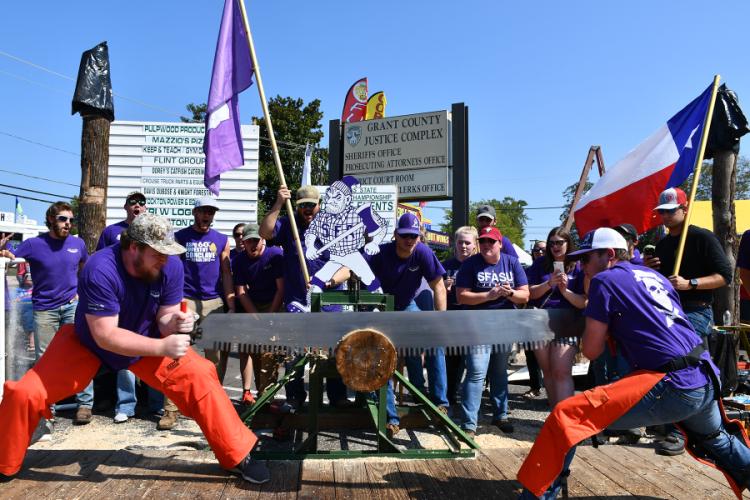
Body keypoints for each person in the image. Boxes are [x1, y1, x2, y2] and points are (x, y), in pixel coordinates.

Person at [0, 214, 270, 485]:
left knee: (201, 375)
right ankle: (4, 462)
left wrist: (175, 322)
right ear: (134, 248)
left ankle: (236, 456)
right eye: (158, 253)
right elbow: (105, 336)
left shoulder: (171, 265)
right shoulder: (100, 268)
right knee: (24, 393)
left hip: (144, 340)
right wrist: (163, 345)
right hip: (88, 342)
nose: (165, 259)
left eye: (167, 252)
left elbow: (165, 318)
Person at [518, 227, 750, 499]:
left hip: (672, 382)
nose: (583, 266)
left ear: (610, 255)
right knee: (716, 439)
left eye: (587, 259)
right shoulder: (655, 276)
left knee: (567, 417)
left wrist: (598, 327)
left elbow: (591, 351)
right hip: (704, 374)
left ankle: (537, 495)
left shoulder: (605, 280)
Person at [644, 187, 733, 456]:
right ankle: (676, 425)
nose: (666, 216)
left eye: (671, 211)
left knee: (682, 363)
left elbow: (725, 276)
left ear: (685, 209)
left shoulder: (702, 238)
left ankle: (679, 432)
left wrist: (690, 283)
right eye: (662, 212)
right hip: (669, 312)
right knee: (664, 362)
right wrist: (650, 271)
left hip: (697, 310)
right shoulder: (662, 244)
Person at [259, 185, 350, 409]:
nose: (308, 209)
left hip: (330, 301)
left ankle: (337, 397)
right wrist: (279, 203)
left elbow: (348, 267)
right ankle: (295, 396)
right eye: (303, 205)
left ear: (320, 205)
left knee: (333, 350)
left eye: (312, 204)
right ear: (297, 206)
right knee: (294, 351)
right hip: (297, 300)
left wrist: (327, 282)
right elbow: (264, 233)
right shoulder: (288, 223)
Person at [8, 201, 92, 425]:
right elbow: (11, 255)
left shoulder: (78, 243)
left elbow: (86, 269)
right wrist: (5, 251)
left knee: (81, 353)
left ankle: (85, 404)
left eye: (71, 220)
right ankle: (47, 406)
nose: (68, 224)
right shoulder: (34, 244)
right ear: (51, 220)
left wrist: (82, 295)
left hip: (72, 307)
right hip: (44, 310)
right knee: (45, 361)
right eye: (63, 219)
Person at [367, 213, 448, 437]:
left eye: (414, 236)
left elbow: (439, 286)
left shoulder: (423, 252)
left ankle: (439, 404)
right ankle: (391, 418)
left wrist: (441, 321)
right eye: (405, 236)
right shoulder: (381, 253)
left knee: (435, 343)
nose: (410, 240)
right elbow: (357, 272)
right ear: (396, 236)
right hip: (381, 309)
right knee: (381, 353)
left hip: (406, 306)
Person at [456, 226, 529, 436]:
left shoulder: (511, 262)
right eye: (483, 241)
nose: (487, 245)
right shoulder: (470, 264)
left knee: (499, 372)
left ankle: (500, 415)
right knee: (477, 371)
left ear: (500, 244)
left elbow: (524, 295)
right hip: (477, 325)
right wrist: (489, 295)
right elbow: (462, 296)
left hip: (504, 324)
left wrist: (510, 293)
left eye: (491, 241)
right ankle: (469, 424)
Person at [169, 196, 235, 430]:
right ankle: (171, 409)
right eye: (204, 211)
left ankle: (212, 404)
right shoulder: (180, 237)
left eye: (211, 212)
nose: (207, 215)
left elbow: (226, 274)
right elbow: (172, 269)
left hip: (213, 301)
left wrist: (230, 303)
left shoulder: (221, 239)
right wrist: (174, 299)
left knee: (214, 357)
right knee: (177, 353)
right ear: (195, 211)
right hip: (186, 299)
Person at [95, 191, 158, 423]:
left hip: (148, 298)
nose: (138, 206)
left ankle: (156, 404)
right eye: (133, 202)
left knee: (152, 348)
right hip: (119, 299)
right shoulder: (111, 232)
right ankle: (126, 405)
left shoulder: (152, 230)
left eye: (142, 203)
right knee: (124, 351)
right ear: (125, 207)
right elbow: (100, 261)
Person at [526, 227, 586, 409]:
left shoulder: (580, 265)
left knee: (561, 371)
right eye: (552, 243)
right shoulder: (540, 264)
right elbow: (529, 293)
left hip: (568, 323)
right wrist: (548, 283)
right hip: (540, 321)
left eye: (560, 242)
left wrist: (565, 291)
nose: (555, 246)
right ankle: (556, 414)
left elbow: (583, 302)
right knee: (548, 371)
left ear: (569, 243)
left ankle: (566, 417)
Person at [232, 223, 284, 403]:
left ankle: (266, 394)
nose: (253, 245)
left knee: (269, 351)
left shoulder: (275, 255)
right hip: (253, 304)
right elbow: (241, 292)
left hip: (274, 303)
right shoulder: (238, 260)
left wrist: (270, 316)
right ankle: (252, 392)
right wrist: (256, 317)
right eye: (248, 241)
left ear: (263, 240)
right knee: (250, 348)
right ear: (243, 243)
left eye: (256, 240)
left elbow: (281, 289)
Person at [442, 226, 477, 405]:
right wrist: (444, 288)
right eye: (460, 242)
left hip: (472, 318)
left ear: (474, 245)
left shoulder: (479, 264)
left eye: (467, 243)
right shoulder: (446, 266)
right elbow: (435, 292)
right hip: (451, 317)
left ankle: (472, 397)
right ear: (455, 243)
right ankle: (450, 395)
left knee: (473, 361)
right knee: (452, 360)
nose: (464, 246)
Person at [523, 241, 547, 399]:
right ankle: (536, 386)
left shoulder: (550, 270)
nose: (539, 252)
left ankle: (552, 391)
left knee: (550, 357)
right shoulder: (528, 270)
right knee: (530, 354)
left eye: (543, 249)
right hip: (530, 314)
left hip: (549, 316)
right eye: (536, 249)